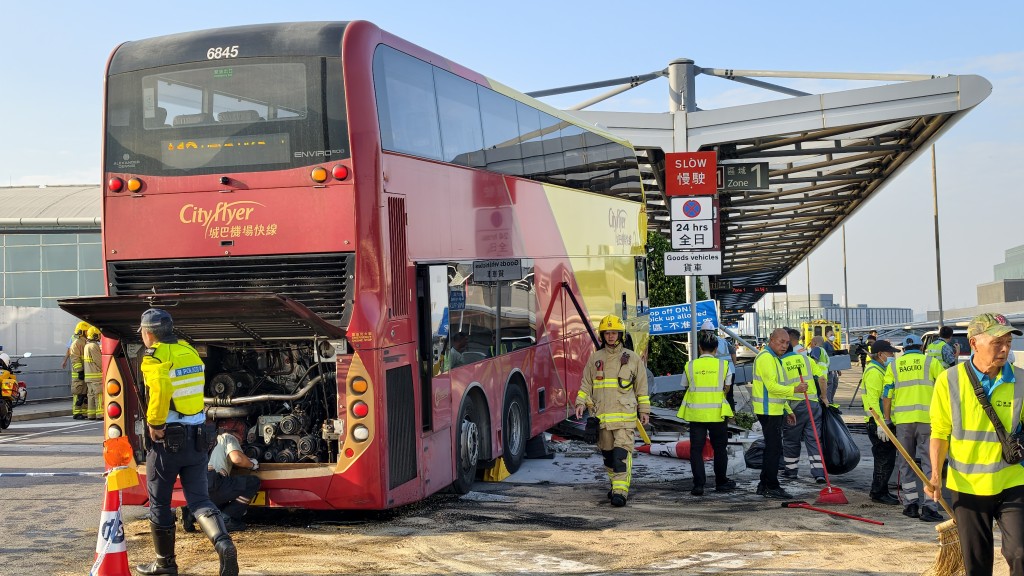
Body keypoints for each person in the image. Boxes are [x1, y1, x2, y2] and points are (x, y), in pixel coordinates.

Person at [135, 308, 238, 576]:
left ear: (148, 334)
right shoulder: (188, 351)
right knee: (200, 500)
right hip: (197, 438)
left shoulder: (155, 357)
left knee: (159, 503)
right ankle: (224, 544)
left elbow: (160, 389)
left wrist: (155, 423)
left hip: (168, 439)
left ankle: (164, 564)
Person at [926, 313, 1024, 576]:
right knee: (977, 563)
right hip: (966, 486)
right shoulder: (950, 380)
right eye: (997, 342)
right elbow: (939, 432)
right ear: (974, 343)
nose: (1004, 348)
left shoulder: (1021, 381)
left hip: (1011, 482)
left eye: (1008, 342)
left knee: (1020, 552)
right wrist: (935, 475)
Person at [574, 314, 650, 507]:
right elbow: (586, 385)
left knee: (620, 455)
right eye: (607, 333)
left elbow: (641, 388)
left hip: (625, 418)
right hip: (602, 418)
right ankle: (615, 483)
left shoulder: (632, 359)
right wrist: (580, 403)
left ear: (620, 334)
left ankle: (620, 492)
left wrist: (645, 410)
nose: (611, 336)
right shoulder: (595, 359)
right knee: (607, 455)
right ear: (602, 335)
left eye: (614, 332)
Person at [886, 333, 944, 522]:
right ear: (921, 347)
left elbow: (887, 394)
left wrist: (887, 419)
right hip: (928, 420)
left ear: (903, 349)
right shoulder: (930, 362)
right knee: (930, 463)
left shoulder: (893, 365)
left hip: (903, 421)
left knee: (906, 462)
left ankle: (910, 505)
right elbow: (945, 387)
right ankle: (929, 506)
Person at [677, 331, 736, 496]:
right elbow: (727, 387)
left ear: (700, 348)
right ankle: (721, 482)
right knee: (720, 448)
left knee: (696, 449)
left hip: (696, 414)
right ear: (716, 349)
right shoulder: (723, 366)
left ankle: (698, 485)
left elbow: (685, 385)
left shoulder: (690, 366)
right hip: (717, 413)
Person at [751, 328, 807, 499]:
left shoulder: (774, 358)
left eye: (787, 343)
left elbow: (777, 389)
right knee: (774, 449)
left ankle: (764, 484)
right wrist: (795, 389)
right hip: (768, 410)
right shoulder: (767, 358)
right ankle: (771, 486)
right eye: (781, 342)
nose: (784, 346)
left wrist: (787, 409)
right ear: (771, 340)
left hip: (774, 409)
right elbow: (772, 387)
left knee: (773, 448)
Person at [182, 419, 261, 533]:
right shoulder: (228, 437)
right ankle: (228, 518)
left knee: (210, 500)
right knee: (253, 482)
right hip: (213, 481)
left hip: (195, 481)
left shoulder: (203, 438)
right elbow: (237, 459)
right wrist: (252, 464)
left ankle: (190, 513)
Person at [781, 331, 827, 483]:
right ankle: (819, 473)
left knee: (791, 439)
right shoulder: (807, 360)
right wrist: (824, 397)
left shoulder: (780, 363)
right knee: (814, 439)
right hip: (812, 404)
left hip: (793, 406)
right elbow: (821, 378)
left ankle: (791, 470)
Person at [861, 339, 899, 505]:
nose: (893, 356)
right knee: (884, 457)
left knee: (886, 458)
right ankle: (878, 492)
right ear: (881, 354)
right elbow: (872, 401)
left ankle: (881, 490)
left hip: (881, 421)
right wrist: (880, 423)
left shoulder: (881, 369)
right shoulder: (875, 372)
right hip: (877, 422)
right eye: (890, 353)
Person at [701, 320, 738, 413]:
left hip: (717, 371)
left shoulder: (705, 342)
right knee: (729, 394)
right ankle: (731, 415)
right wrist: (732, 367)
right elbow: (733, 353)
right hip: (729, 370)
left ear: (703, 332)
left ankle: (718, 413)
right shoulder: (723, 340)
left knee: (716, 393)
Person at [65, 322, 89, 419]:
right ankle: (77, 412)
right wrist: (79, 371)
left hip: (85, 372)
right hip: (78, 373)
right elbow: (75, 358)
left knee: (84, 393)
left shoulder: (84, 342)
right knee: (78, 393)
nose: (88, 333)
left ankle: (83, 412)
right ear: (82, 331)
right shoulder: (77, 343)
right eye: (86, 331)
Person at [83, 327, 103, 421]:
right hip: (96, 376)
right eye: (98, 335)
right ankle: (100, 414)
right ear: (95, 335)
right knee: (99, 395)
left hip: (89, 376)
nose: (100, 336)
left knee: (90, 395)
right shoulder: (94, 346)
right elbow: (99, 361)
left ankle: (91, 415)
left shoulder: (87, 345)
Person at [822, 328, 842, 403]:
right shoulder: (825, 344)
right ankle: (828, 401)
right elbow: (826, 357)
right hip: (829, 368)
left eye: (833, 335)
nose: (832, 336)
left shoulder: (832, 345)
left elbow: (833, 358)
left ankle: (831, 400)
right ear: (826, 336)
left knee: (835, 384)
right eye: (831, 335)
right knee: (830, 385)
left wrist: (838, 369)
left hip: (833, 368)